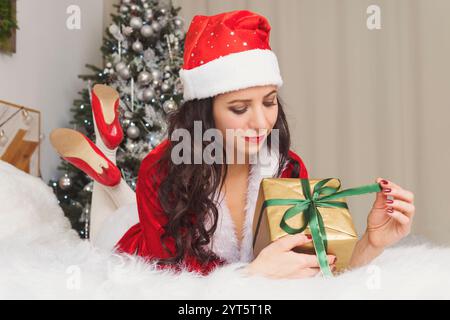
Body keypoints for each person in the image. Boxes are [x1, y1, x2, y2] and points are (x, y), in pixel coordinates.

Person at [50, 10, 415, 279]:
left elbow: (316, 269)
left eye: (269, 102)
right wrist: (252, 277)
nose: (261, 123)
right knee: (110, 220)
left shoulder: (287, 168)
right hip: (139, 248)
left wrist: (372, 241)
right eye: (240, 108)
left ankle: (112, 176)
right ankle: (109, 176)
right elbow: (177, 294)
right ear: (204, 114)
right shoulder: (161, 173)